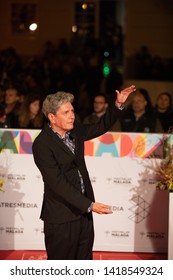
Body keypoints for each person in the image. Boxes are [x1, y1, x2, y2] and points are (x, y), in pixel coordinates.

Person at [32, 85, 136, 260]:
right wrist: (90, 205)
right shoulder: (42, 144)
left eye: (72, 110)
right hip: (61, 217)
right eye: (66, 112)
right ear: (52, 117)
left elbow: (100, 127)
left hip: (84, 214)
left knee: (84, 262)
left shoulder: (75, 130)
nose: (72, 115)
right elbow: (57, 183)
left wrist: (117, 105)